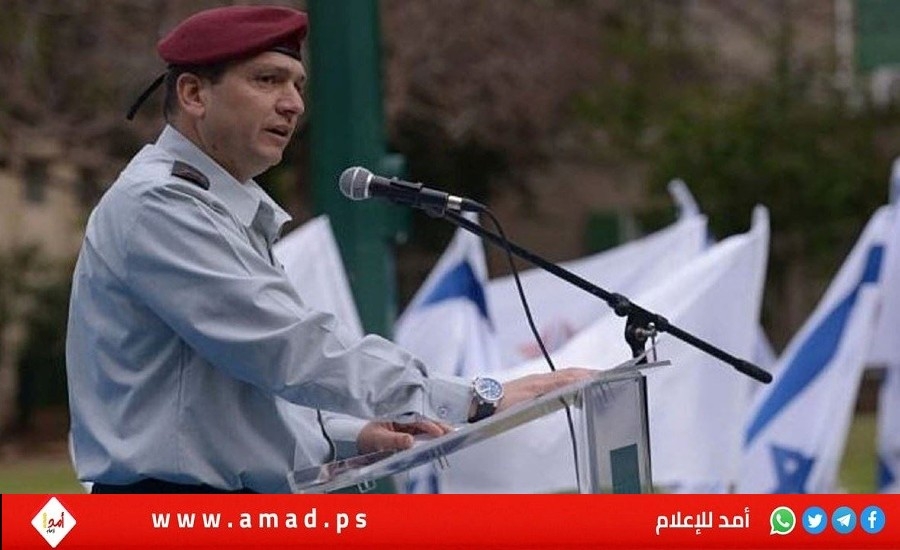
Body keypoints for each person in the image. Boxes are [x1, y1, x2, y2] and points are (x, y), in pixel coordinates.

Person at [65, 5, 593, 494]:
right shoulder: (162, 205)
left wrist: (350, 433)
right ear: (194, 95)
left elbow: (234, 392)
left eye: (297, 84)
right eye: (267, 80)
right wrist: (471, 399)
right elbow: (286, 350)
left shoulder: (214, 204)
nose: (293, 103)